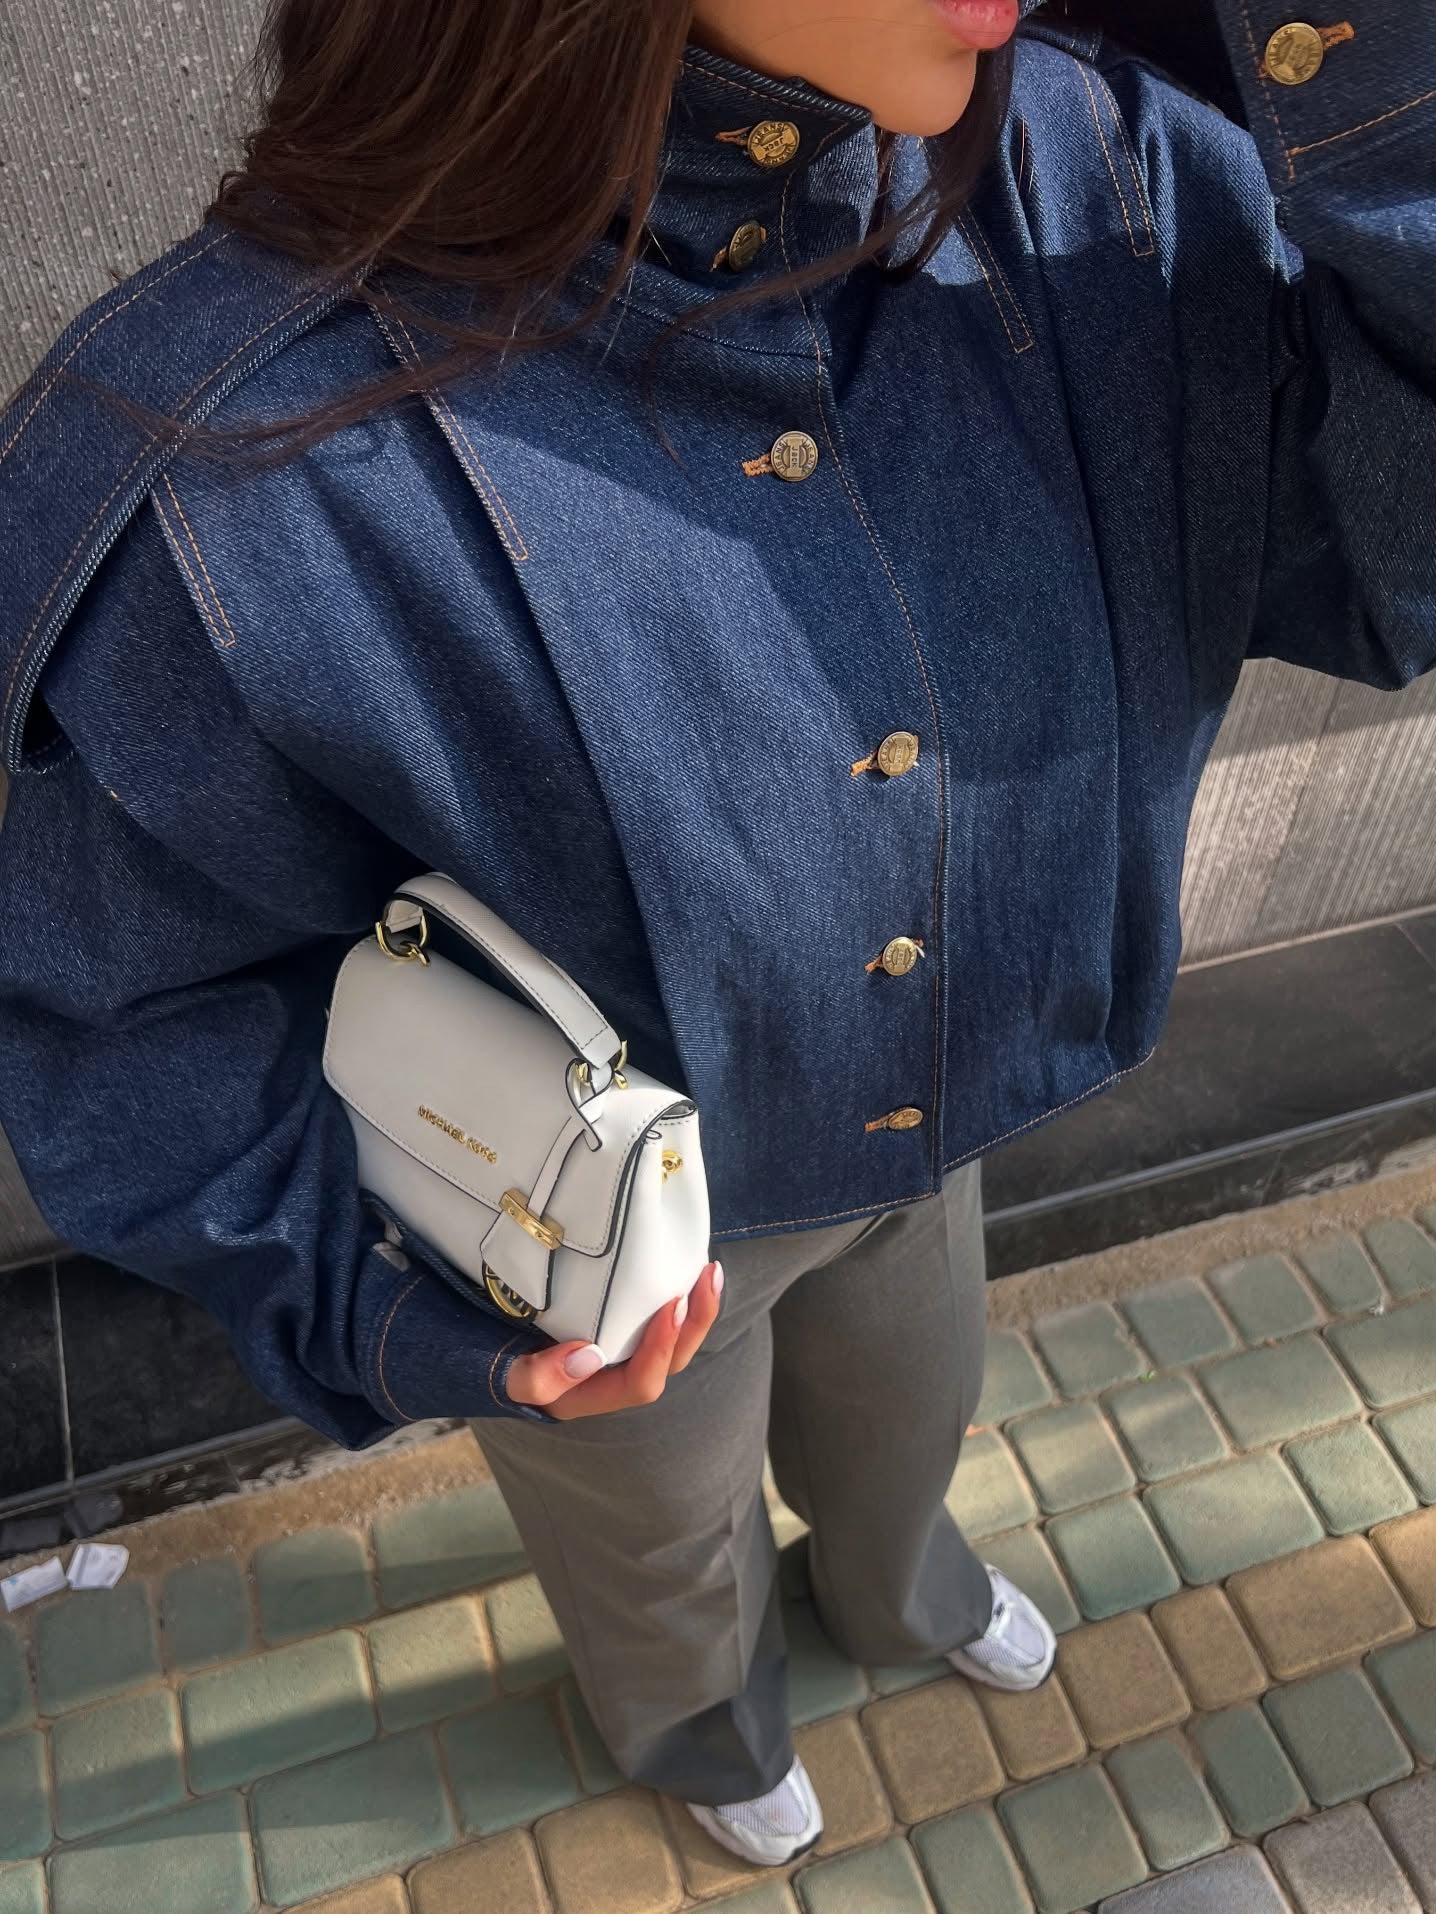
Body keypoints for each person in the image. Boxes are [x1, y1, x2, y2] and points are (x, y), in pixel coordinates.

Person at [1, 0, 1432, 1869]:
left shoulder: (1103, 176)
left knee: (915, 1412)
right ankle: (699, 1726)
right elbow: (135, 1016)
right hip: (601, 1239)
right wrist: (388, 1310)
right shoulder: (227, 448)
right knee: (654, 1534)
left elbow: (1385, 541)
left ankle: (901, 1589)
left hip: (939, 1123)